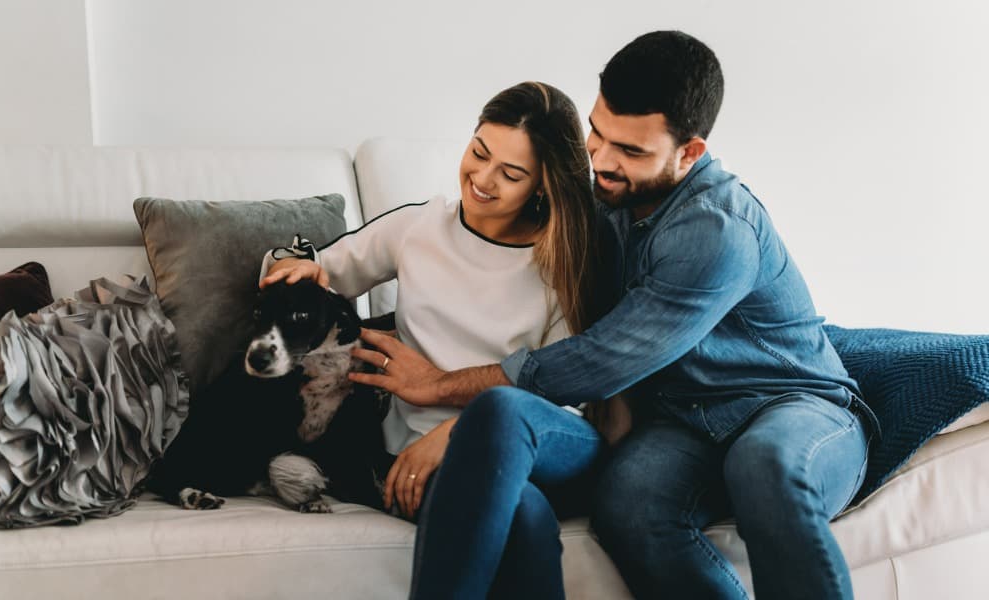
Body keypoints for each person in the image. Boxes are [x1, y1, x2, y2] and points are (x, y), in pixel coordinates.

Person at [348, 31, 880, 600]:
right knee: (628, 504)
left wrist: (440, 387)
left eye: (631, 151)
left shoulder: (716, 231)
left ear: (690, 152)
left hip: (788, 405)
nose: (601, 161)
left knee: (766, 466)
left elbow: (601, 360)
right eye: (598, 134)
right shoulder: (603, 200)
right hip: (683, 422)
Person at [260, 80, 614, 537]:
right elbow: (314, 270)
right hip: (411, 452)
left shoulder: (564, 260)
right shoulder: (419, 228)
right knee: (520, 514)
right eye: (479, 152)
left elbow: (558, 392)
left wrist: (457, 436)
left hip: (521, 446)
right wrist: (294, 266)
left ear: (544, 184)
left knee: (507, 493)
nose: (483, 180)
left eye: (510, 174)